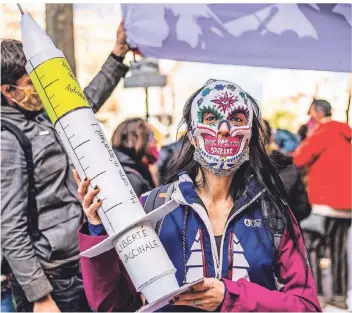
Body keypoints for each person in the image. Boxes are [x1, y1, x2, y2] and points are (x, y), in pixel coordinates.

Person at [74, 79, 321, 312]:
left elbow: (306, 307)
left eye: (236, 118)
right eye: (211, 118)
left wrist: (231, 297)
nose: (224, 130)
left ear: (250, 136)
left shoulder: (272, 213)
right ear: (192, 135)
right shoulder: (153, 209)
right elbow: (113, 306)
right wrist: (98, 229)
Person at [1, 20, 130, 312]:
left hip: (79, 264)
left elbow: (85, 102)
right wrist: (40, 296)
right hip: (53, 281)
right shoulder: (7, 140)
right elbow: (10, 226)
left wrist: (118, 55)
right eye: (32, 83)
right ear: (8, 90)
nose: (40, 89)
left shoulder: (41, 116)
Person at [293, 99, 352, 309]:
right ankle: (339, 295)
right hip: (347, 205)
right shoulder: (346, 134)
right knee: (339, 249)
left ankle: (315, 294)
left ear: (317, 113)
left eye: (310, 114)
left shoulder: (323, 131)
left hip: (322, 203)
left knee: (313, 248)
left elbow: (299, 158)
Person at [262, 120, 311, 222]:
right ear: (271, 138)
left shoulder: (238, 171)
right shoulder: (287, 166)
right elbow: (302, 208)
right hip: (282, 230)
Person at [111, 118, 158, 197]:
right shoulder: (133, 179)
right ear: (138, 140)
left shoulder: (118, 167)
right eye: (151, 136)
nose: (155, 141)